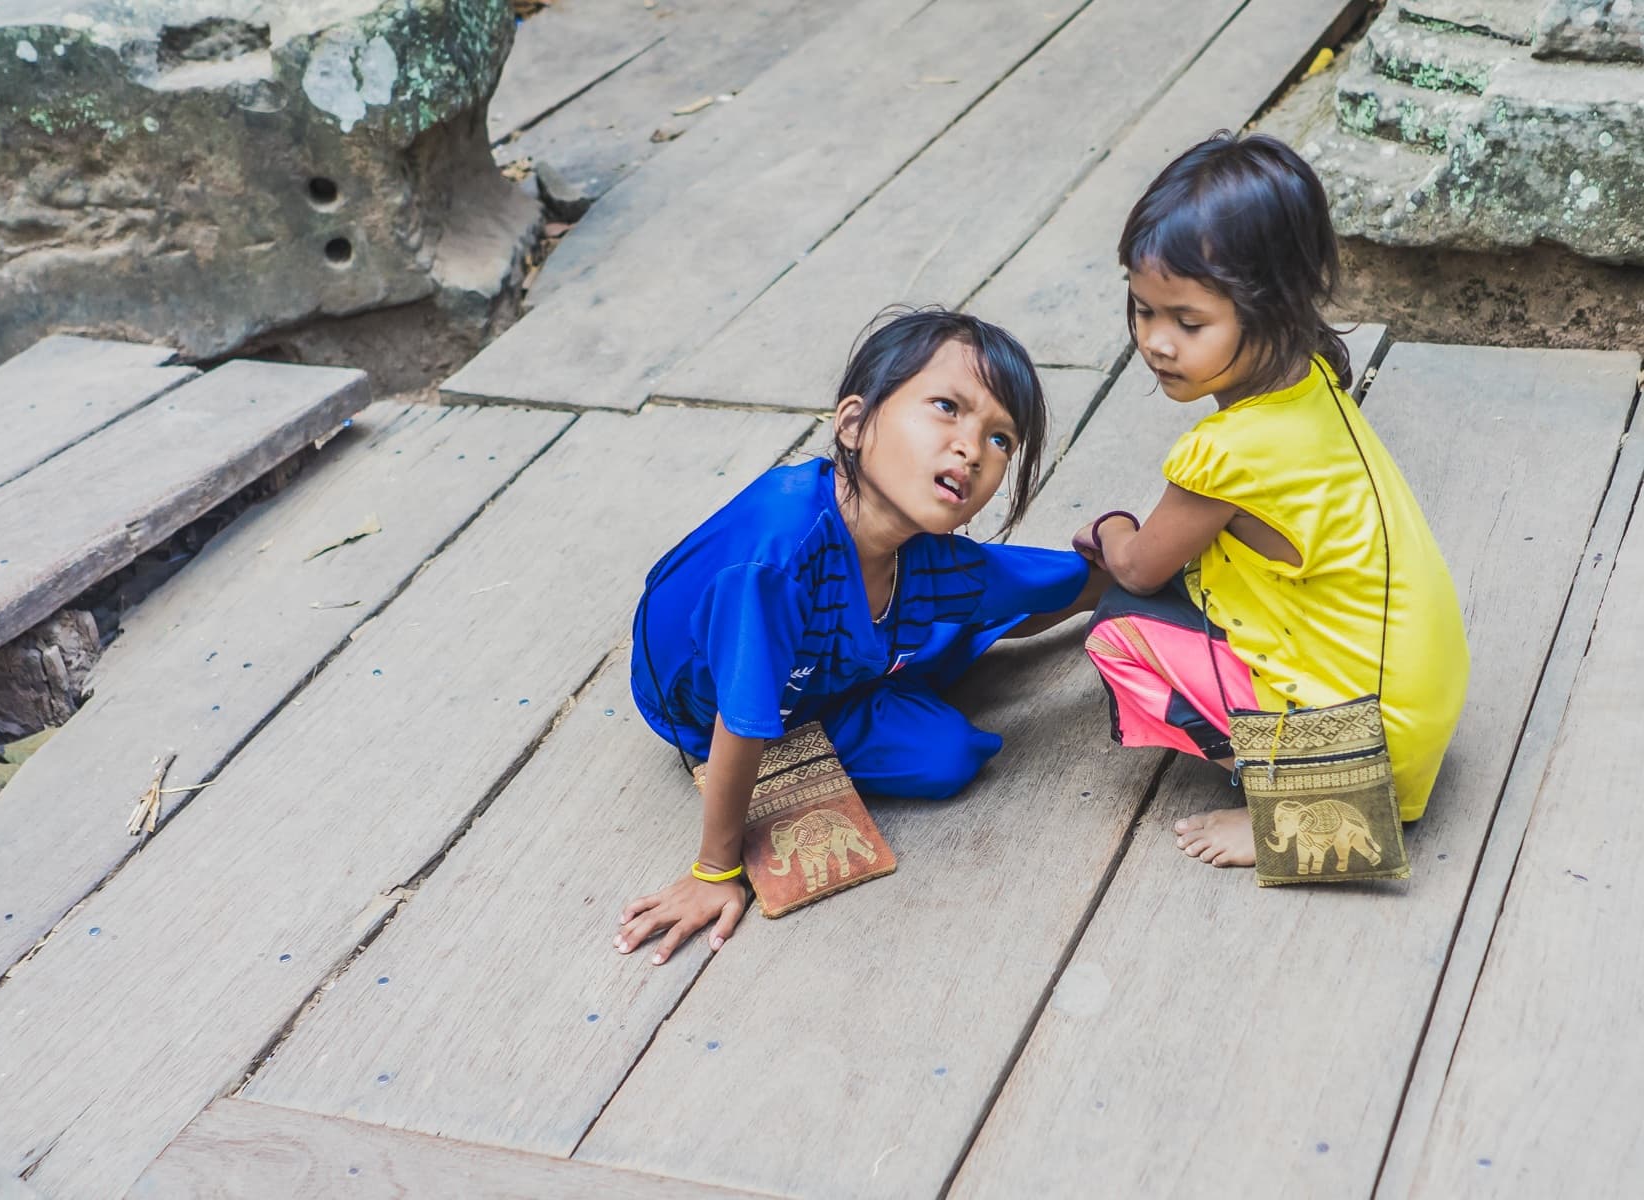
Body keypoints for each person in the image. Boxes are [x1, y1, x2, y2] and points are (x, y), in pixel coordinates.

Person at [618, 308, 1100, 964]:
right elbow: (743, 718)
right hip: (711, 711)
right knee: (928, 731)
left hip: (826, 675)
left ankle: (898, 658)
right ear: (853, 423)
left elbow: (1036, 587)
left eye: (1000, 440)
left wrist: (1130, 578)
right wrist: (714, 871)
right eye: (946, 407)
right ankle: (890, 665)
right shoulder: (778, 558)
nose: (971, 448)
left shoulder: (916, 547)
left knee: (954, 735)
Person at [1075, 132, 1470, 869]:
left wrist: (1109, 527)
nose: (1156, 342)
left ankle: (1301, 799)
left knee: (1118, 627)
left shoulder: (1224, 455)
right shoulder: (1312, 377)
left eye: (1188, 322)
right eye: (1143, 310)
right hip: (1418, 704)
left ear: (1276, 306)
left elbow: (1136, 568)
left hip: (1371, 754)